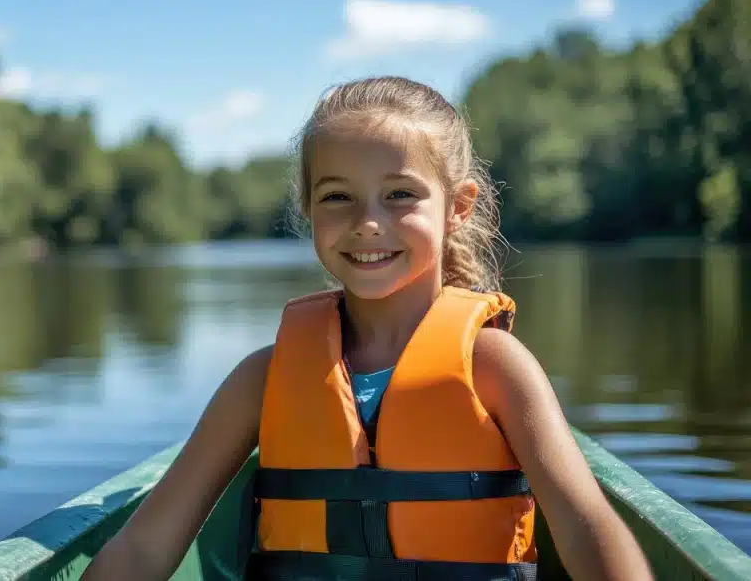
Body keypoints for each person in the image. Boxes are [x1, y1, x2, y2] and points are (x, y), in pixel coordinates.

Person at [80, 76, 653, 580]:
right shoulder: (264, 378)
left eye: (400, 195)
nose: (368, 223)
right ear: (308, 208)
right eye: (338, 198)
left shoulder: (496, 366)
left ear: (458, 207)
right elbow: (144, 550)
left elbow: (585, 532)